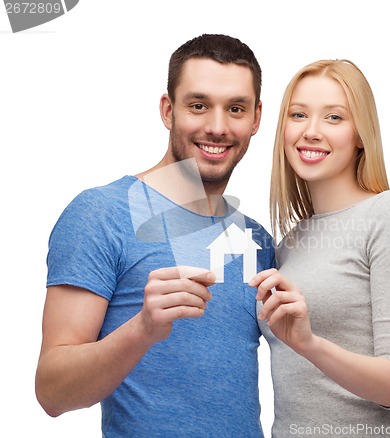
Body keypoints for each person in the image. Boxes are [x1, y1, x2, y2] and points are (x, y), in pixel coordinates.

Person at [35, 34, 274, 437]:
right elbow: (52, 393)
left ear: (256, 118)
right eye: (198, 106)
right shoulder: (101, 214)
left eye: (235, 109)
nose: (217, 127)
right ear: (168, 110)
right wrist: (142, 328)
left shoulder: (258, 240)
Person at [250, 60, 390, 437]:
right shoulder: (288, 246)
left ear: (361, 134)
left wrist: (310, 344)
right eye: (298, 115)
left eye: (334, 117)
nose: (311, 131)